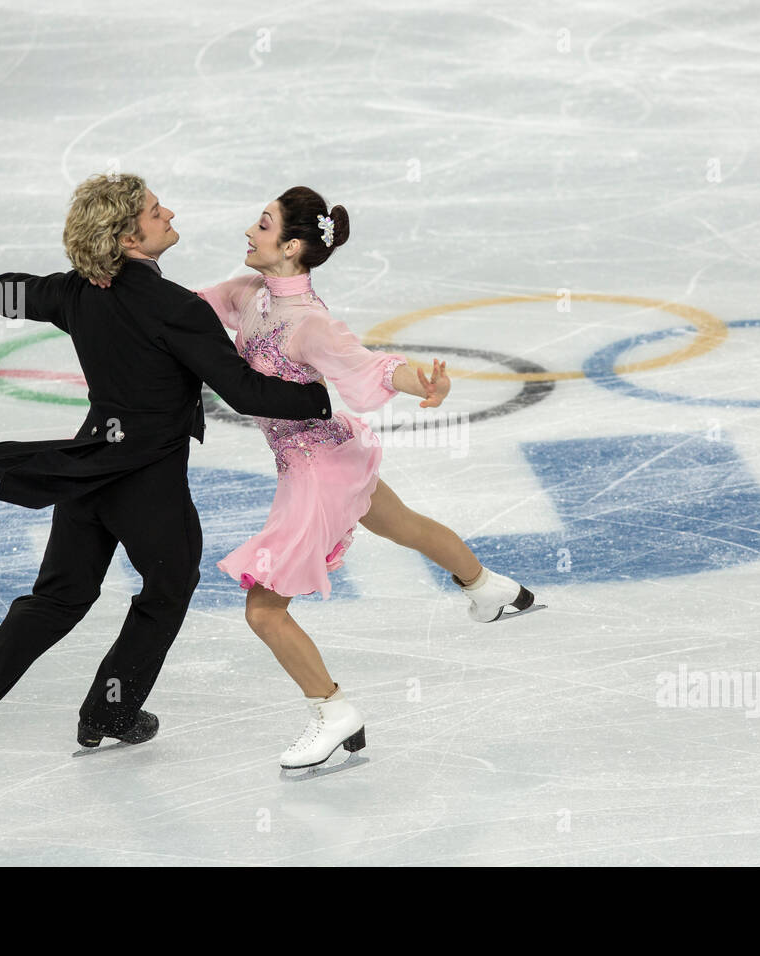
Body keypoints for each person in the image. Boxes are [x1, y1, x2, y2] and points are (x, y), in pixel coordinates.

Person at [0, 174, 333, 770]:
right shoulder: (176, 309)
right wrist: (317, 399)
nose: (168, 212)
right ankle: (110, 711)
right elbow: (243, 391)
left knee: (60, 598)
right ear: (125, 235)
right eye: (153, 209)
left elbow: (7, 292)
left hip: (88, 468)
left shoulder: (78, 292)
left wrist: (76, 277)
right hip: (149, 480)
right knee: (168, 588)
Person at [196, 186, 537, 773]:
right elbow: (185, 308)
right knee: (401, 524)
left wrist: (424, 385)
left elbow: (368, 362)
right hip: (333, 451)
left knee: (263, 610)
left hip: (317, 472)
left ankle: (334, 713)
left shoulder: (308, 323)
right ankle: (488, 588)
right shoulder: (248, 292)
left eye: (263, 224)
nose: (249, 233)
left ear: (293, 245)